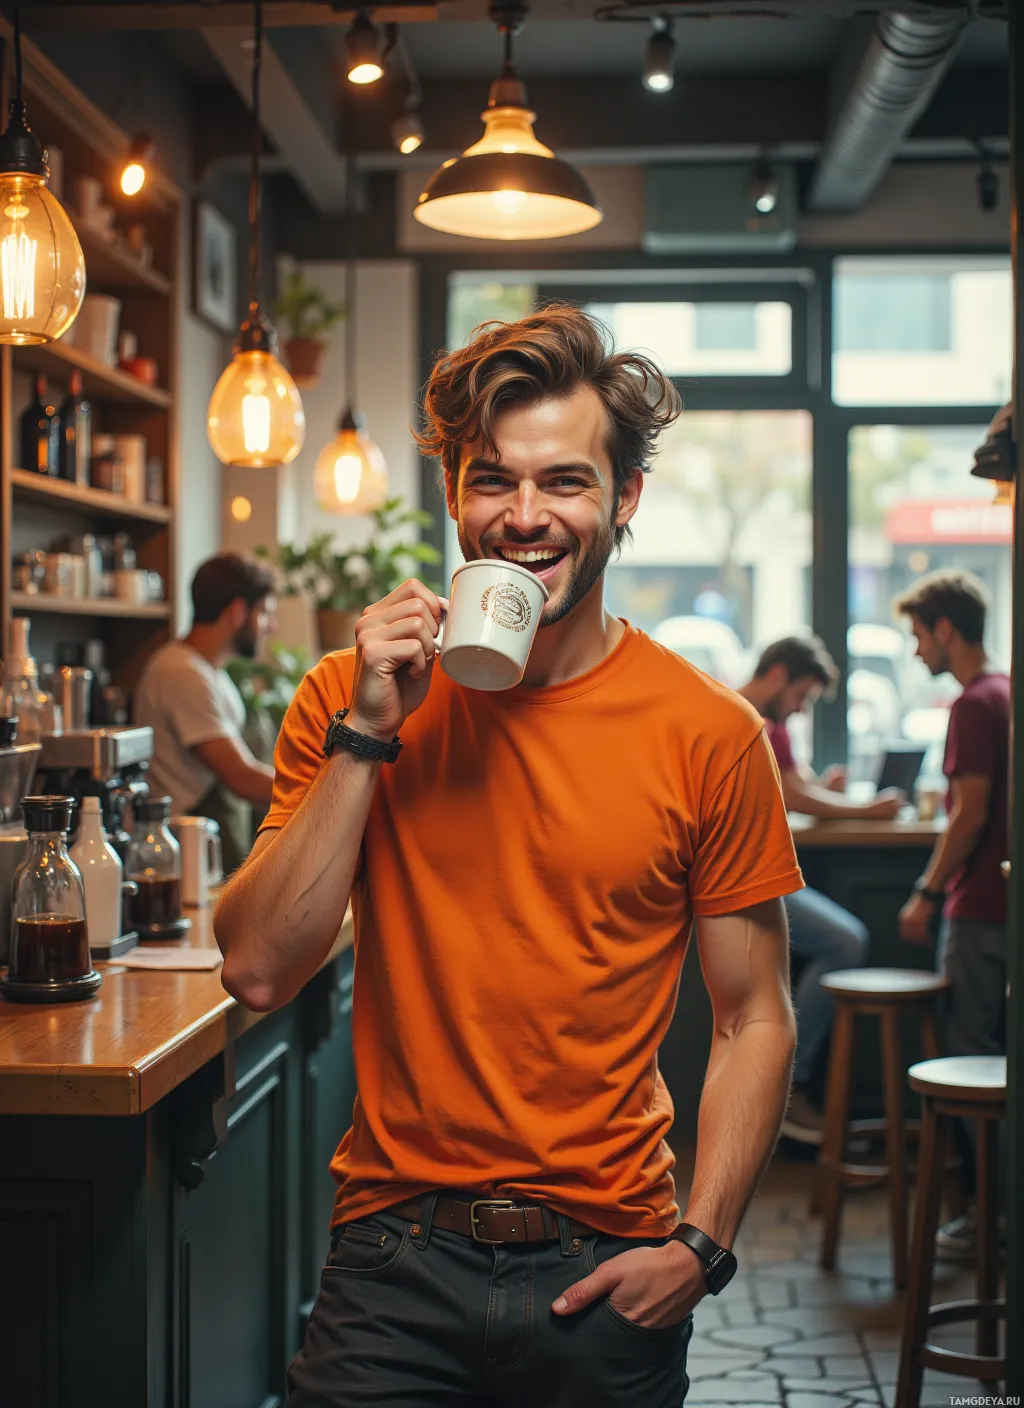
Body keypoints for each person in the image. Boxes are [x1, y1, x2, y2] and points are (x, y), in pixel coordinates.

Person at [215, 305, 805, 1408]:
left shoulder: (709, 733)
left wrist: (701, 1247)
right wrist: (369, 731)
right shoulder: (350, 707)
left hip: (609, 1261)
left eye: (566, 482)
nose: (524, 517)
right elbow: (256, 966)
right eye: (493, 480)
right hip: (392, 1257)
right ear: (453, 495)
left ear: (623, 498)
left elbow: (753, 1013)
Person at [739, 636, 904, 1143]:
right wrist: (866, 810)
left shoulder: (767, 724)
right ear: (779, 675)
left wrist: (824, 793)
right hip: (741, 878)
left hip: (755, 872)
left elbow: (793, 789)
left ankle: (789, 1086)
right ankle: (793, 1086)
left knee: (836, 942)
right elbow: (792, 794)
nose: (801, 708)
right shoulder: (746, 718)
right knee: (846, 941)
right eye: (802, 696)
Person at [895, 569, 1009, 1259]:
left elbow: (967, 815)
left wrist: (927, 892)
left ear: (944, 629)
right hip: (1003, 905)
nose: (915, 653)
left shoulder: (971, 703)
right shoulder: (1005, 690)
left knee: (971, 1067)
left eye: (917, 636)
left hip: (977, 910)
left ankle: (990, 1219)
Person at [134, 552, 277, 872]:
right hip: (186, 854)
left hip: (210, 842)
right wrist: (322, 789)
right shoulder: (181, 671)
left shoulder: (209, 671)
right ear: (238, 611)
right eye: (265, 613)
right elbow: (241, 777)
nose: (272, 626)